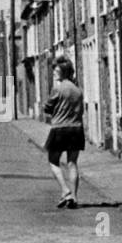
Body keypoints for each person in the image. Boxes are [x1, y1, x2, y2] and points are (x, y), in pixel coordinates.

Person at [43, 57, 85, 209]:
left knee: (53, 160)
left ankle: (65, 190)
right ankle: (74, 197)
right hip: (76, 129)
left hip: (60, 128)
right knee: (72, 163)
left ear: (63, 72)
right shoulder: (78, 90)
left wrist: (52, 109)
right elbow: (81, 111)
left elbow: (47, 107)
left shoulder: (58, 89)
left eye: (56, 70)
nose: (54, 73)